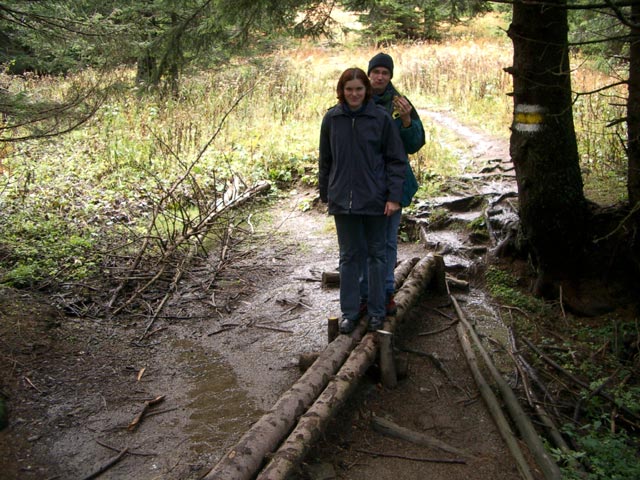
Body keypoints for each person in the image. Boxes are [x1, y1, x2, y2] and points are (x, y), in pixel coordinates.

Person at [319, 67, 407, 334]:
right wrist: (327, 194)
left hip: (375, 201)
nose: (354, 94)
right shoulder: (332, 119)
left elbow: (396, 160)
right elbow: (325, 160)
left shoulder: (380, 118)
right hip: (343, 203)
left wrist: (393, 197)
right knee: (348, 257)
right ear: (341, 92)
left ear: (365, 91)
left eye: (358, 89)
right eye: (349, 89)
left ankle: (378, 311)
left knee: (377, 255)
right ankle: (350, 312)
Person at [360, 52, 425, 316]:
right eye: (376, 72)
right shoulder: (357, 99)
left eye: (385, 73)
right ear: (369, 74)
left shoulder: (400, 104)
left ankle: (386, 293)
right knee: (363, 243)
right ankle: (365, 296)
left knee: (387, 242)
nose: (380, 77)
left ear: (390, 76)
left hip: (392, 184)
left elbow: (414, 144)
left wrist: (408, 121)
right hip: (364, 183)